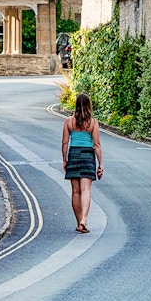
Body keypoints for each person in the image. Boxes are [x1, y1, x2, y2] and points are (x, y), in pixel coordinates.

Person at [62, 93, 103, 233]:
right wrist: (100, 164)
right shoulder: (93, 123)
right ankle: (84, 220)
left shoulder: (68, 121)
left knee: (75, 191)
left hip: (73, 154)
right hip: (87, 155)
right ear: (88, 106)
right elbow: (97, 145)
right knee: (85, 189)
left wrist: (65, 160)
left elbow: (65, 143)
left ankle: (79, 222)